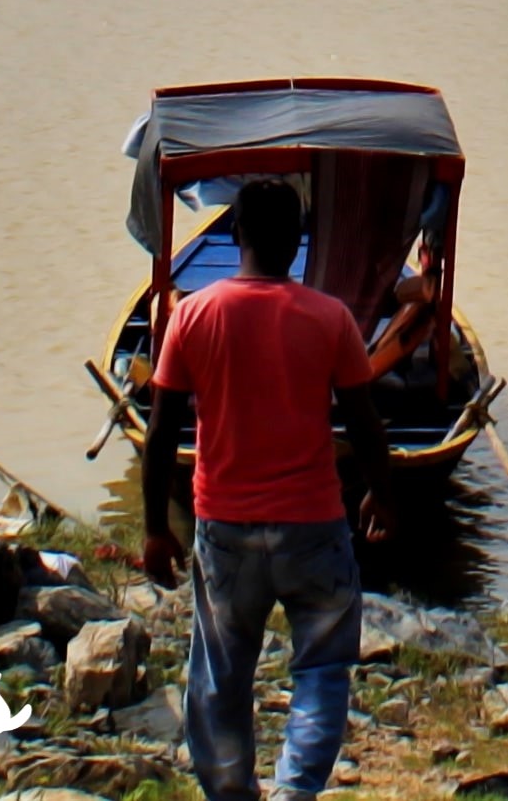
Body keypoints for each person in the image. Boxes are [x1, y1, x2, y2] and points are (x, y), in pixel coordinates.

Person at [140, 179, 424, 801]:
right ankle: (296, 793)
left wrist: (156, 528)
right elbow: (363, 421)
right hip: (313, 526)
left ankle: (232, 792)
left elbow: (161, 433)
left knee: (221, 675)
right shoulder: (330, 318)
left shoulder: (192, 314)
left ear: (235, 234)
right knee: (322, 669)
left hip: (224, 528)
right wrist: (380, 493)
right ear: (299, 240)